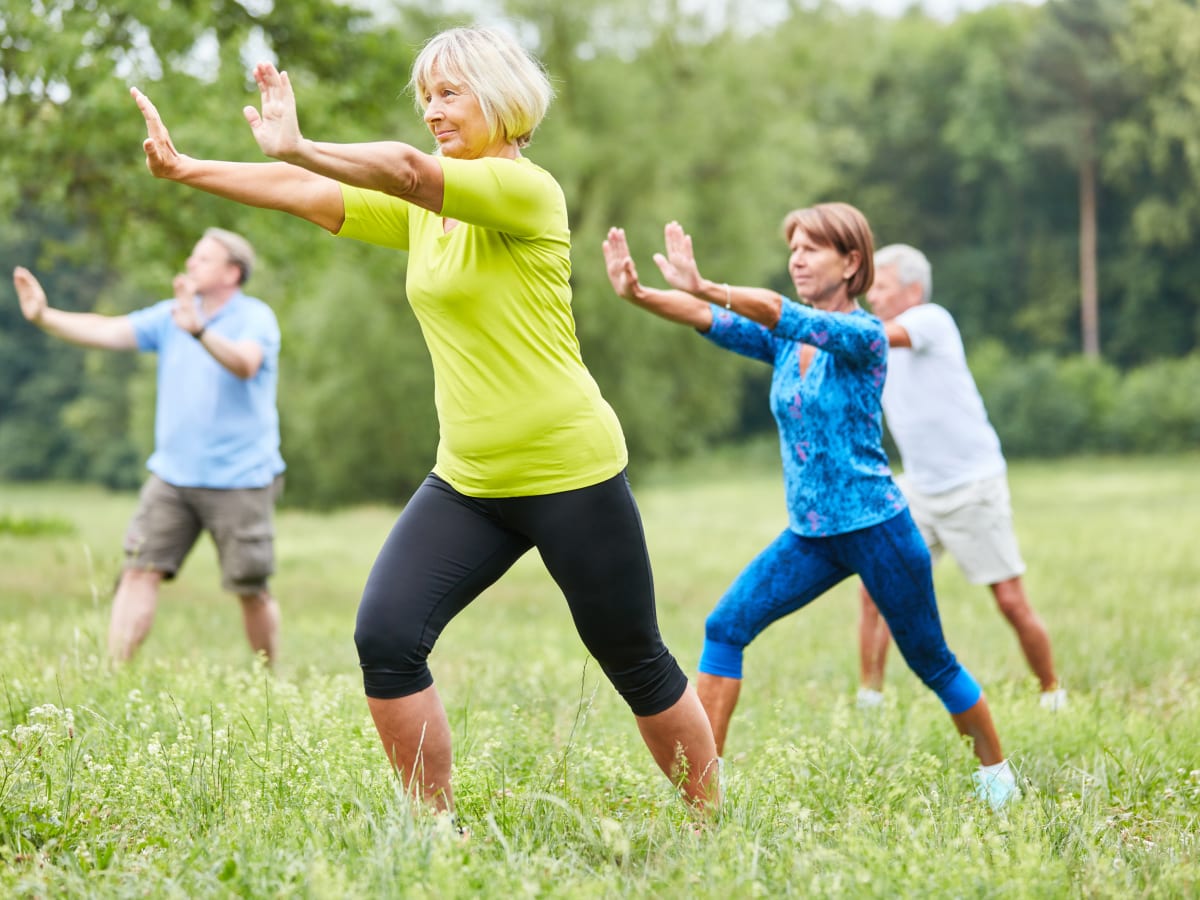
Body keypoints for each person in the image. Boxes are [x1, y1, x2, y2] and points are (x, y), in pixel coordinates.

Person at [130, 25, 719, 819]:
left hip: (568, 469)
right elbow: (311, 195)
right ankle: (433, 832)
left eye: (451, 93)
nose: (433, 112)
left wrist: (300, 143)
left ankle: (710, 819)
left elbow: (406, 170)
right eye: (426, 98)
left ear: (503, 99)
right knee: (385, 638)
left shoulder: (526, 191)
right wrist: (185, 169)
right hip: (469, 478)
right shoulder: (423, 214)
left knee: (632, 656)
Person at [602, 204, 1019, 808]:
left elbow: (774, 310)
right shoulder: (782, 343)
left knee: (932, 661)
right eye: (793, 247)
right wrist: (639, 293)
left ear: (852, 263)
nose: (796, 257)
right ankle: (704, 796)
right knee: (725, 627)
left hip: (877, 527)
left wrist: (709, 283)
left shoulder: (864, 337)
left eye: (812, 248)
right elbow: (707, 317)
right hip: (811, 535)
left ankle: (997, 775)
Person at [11, 229, 285, 665]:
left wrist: (199, 331)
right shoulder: (171, 317)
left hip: (240, 478)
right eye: (192, 257)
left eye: (204, 259)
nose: (191, 264)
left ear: (232, 272)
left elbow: (245, 364)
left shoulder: (255, 318)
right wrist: (45, 316)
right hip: (172, 477)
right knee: (139, 570)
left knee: (250, 589)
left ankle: (268, 680)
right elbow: (107, 330)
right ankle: (115, 674)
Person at [855, 243, 1065, 712]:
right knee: (874, 589)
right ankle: (869, 698)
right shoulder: (873, 338)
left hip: (972, 485)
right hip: (919, 488)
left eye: (881, 287)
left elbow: (873, 336)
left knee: (1010, 600)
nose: (872, 297)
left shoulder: (931, 319)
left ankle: (1052, 692)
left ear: (912, 288)